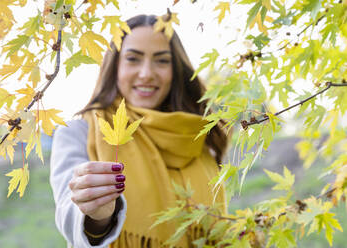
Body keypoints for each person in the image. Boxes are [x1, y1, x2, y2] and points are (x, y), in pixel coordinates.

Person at [50, 14, 228, 248]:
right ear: (115, 65)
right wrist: (97, 216)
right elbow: (69, 214)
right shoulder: (80, 131)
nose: (146, 73)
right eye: (133, 59)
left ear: (176, 69)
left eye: (162, 61)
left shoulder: (196, 135)